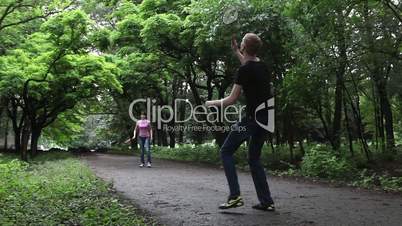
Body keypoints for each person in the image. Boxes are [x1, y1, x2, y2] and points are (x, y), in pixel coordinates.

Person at [205, 33, 275, 211]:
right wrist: (236, 51)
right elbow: (249, 65)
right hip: (267, 117)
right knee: (254, 158)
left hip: (251, 119)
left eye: (241, 44)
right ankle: (266, 201)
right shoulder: (263, 66)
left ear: (245, 47)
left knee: (226, 151)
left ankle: (234, 196)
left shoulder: (244, 70)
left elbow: (231, 100)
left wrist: (211, 103)